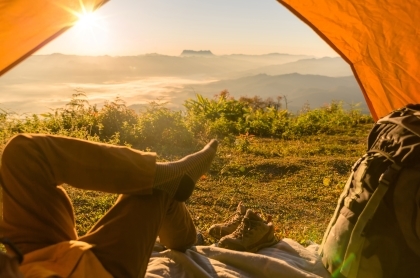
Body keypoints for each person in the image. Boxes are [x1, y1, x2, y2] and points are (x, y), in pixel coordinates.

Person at [0, 133, 218, 278]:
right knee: (156, 190)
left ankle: (160, 176)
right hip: (87, 272)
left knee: (24, 152)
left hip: (30, 260)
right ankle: (181, 226)